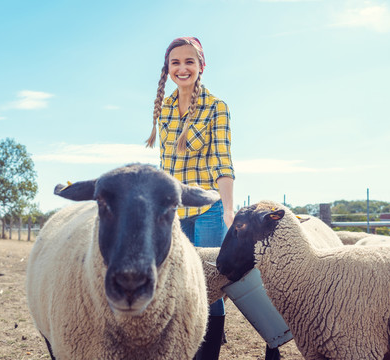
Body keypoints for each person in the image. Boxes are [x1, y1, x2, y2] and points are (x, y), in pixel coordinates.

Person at [145, 36, 234, 360]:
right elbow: (165, 166)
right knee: (175, 280)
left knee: (210, 284)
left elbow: (223, 160)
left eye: (189, 62)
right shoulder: (165, 108)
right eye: (175, 63)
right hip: (174, 211)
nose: (182, 68)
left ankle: (208, 354)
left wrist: (227, 209)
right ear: (168, 69)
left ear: (201, 66)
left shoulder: (217, 108)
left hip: (208, 209)